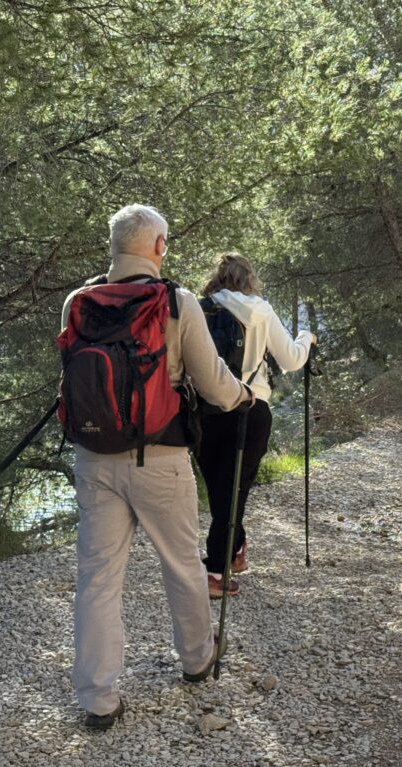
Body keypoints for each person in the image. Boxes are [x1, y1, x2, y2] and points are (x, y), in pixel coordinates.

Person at [61, 205, 253, 731]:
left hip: (93, 459)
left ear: (114, 246)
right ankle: (196, 661)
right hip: (160, 459)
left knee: (97, 579)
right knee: (181, 563)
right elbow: (214, 386)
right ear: (159, 246)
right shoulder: (175, 302)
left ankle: (98, 698)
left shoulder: (77, 302)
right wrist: (243, 396)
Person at [196, 252, 315, 598]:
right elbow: (291, 360)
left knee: (221, 489)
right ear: (249, 279)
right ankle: (216, 572)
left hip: (205, 411)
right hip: (250, 407)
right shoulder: (260, 310)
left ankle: (235, 548)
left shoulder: (200, 309)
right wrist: (307, 337)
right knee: (234, 491)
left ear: (216, 279)